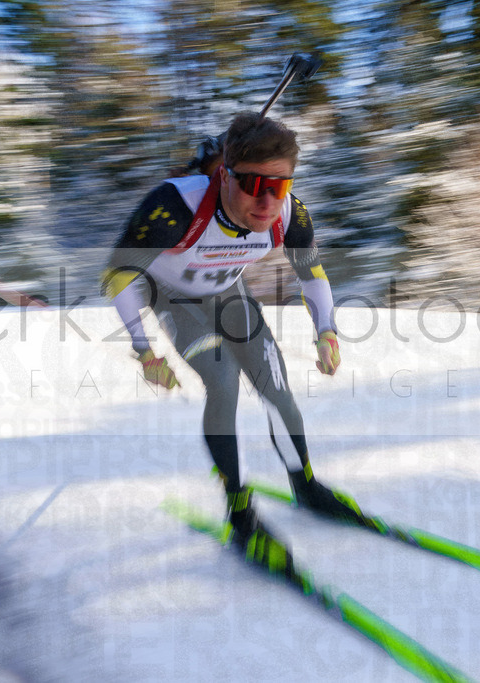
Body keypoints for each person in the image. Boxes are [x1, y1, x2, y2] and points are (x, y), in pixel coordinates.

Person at [101, 113, 365, 571]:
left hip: (230, 295)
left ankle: (305, 484)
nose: (266, 201)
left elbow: (312, 273)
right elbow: (118, 274)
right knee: (222, 381)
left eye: (278, 186)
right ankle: (239, 512)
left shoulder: (288, 212)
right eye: (251, 184)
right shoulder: (174, 206)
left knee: (277, 388)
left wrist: (327, 331)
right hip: (177, 300)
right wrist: (145, 350)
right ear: (223, 174)